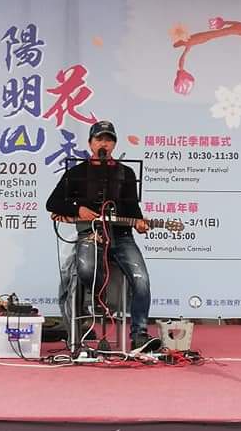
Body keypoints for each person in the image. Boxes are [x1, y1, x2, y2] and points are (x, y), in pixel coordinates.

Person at [46, 120, 157, 351]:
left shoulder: (126, 173)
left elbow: (132, 209)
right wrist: (78, 209)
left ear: (114, 144)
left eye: (108, 140)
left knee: (142, 280)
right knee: (86, 270)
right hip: (91, 234)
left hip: (122, 236)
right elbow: (52, 203)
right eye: (99, 139)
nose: (104, 144)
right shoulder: (77, 172)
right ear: (90, 143)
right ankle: (99, 302)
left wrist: (139, 222)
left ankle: (139, 335)